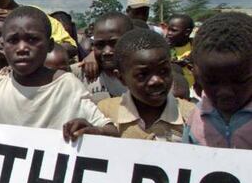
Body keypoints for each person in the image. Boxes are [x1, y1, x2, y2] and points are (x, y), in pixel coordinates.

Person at [0, 6, 118, 141]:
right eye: (13, 40)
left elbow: (112, 131)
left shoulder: (66, 86)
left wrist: (94, 130)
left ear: (50, 45)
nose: (22, 48)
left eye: (32, 39)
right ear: (4, 46)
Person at [98, 29, 195, 141]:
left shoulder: (191, 116)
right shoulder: (105, 112)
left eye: (163, 71)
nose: (156, 81)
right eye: (142, 74)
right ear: (121, 78)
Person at [183, 12, 252, 149]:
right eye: (212, 82)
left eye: (239, 81)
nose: (225, 92)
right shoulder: (196, 117)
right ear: (198, 76)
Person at [71, 12, 131, 103]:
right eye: (100, 45)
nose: (106, 51)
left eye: (114, 43)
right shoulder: (79, 74)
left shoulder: (142, 75)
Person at [166, 14, 195, 87]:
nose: (168, 33)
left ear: (187, 32)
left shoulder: (197, 47)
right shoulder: (163, 48)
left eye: (173, 30)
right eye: (168, 29)